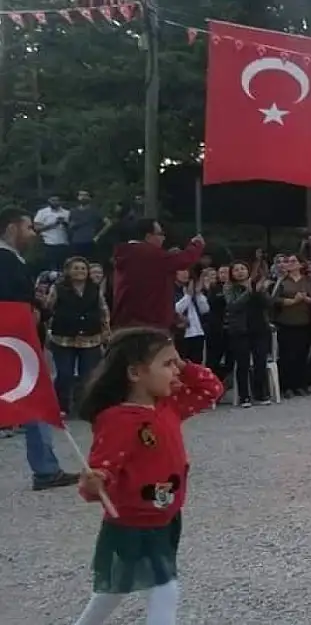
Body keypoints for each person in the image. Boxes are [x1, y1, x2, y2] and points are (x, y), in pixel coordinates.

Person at [70, 328, 224, 625]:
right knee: (165, 589)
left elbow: (211, 390)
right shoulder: (117, 420)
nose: (175, 371)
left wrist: (183, 365)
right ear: (136, 373)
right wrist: (93, 483)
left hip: (165, 517)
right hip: (133, 524)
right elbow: (100, 474)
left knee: (114, 591)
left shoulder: (168, 404)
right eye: (167, 365)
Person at [0, 208, 80, 488]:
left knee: (31, 396)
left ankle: (46, 467)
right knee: (32, 394)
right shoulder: (5, 261)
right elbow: (11, 302)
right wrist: (32, 307)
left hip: (15, 342)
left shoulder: (13, 261)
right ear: (12, 229)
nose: (33, 235)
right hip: (14, 343)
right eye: (28, 228)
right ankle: (45, 468)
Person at [112, 219, 205, 331]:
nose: (163, 238)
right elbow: (183, 260)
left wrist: (172, 316)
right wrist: (196, 245)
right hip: (149, 326)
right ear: (148, 236)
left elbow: (149, 291)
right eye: (160, 234)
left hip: (128, 322)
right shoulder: (147, 253)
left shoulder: (129, 255)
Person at [46, 256, 110, 415]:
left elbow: (103, 310)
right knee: (65, 374)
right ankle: (62, 406)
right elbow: (49, 308)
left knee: (88, 375)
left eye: (83, 268)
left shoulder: (94, 289)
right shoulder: (58, 288)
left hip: (91, 337)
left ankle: (83, 406)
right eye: (76, 268)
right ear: (68, 271)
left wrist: (106, 331)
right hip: (63, 338)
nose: (80, 271)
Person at [272, 254, 311, 397]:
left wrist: (308, 300)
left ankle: (300, 384)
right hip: (286, 322)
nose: (290, 263)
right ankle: (287, 386)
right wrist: (292, 301)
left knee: (302, 354)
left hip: (304, 323)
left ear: (301, 265)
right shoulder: (282, 281)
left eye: (293, 261)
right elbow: (274, 300)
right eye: (288, 261)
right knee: (287, 355)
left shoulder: (309, 281)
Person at [224, 262, 274, 407]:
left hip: (260, 328)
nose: (240, 272)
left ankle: (261, 393)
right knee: (243, 364)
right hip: (240, 330)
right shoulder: (229, 288)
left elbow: (269, 303)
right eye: (236, 270)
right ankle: (244, 396)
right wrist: (248, 291)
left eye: (243, 269)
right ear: (232, 274)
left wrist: (261, 291)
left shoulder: (257, 285)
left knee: (260, 362)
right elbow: (233, 306)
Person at [33, 195, 70, 271]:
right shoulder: (42, 212)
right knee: (50, 267)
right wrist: (54, 224)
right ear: (49, 201)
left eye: (57, 200)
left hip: (63, 243)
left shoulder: (66, 213)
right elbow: (37, 228)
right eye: (53, 200)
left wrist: (64, 223)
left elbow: (71, 228)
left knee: (63, 266)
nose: (55, 202)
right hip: (48, 243)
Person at [68, 190, 102, 261]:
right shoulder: (73, 211)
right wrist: (72, 225)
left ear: (89, 198)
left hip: (90, 241)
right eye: (80, 195)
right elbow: (70, 225)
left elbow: (108, 223)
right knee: (77, 262)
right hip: (76, 241)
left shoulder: (94, 210)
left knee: (91, 262)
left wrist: (98, 236)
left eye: (85, 195)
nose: (83, 197)